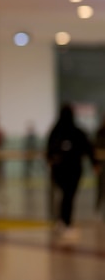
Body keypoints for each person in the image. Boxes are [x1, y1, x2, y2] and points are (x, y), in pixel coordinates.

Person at [46, 103, 99, 241]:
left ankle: (63, 222)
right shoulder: (75, 131)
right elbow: (89, 148)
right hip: (72, 171)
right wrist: (95, 164)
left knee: (66, 197)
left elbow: (49, 152)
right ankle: (65, 223)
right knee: (68, 197)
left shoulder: (56, 131)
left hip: (61, 171)